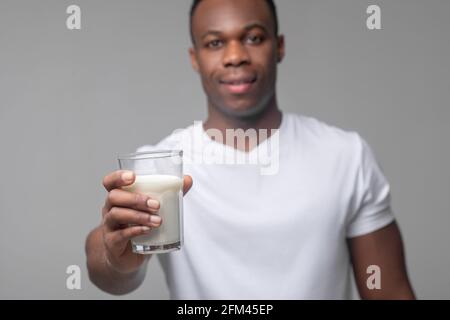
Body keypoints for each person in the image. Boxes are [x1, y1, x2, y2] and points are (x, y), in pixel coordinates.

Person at [85, 0, 416, 299]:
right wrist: (116, 259)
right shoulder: (158, 169)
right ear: (194, 58)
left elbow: (389, 292)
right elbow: (109, 274)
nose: (235, 56)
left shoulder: (346, 156)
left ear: (280, 46)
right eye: (215, 43)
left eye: (254, 37)